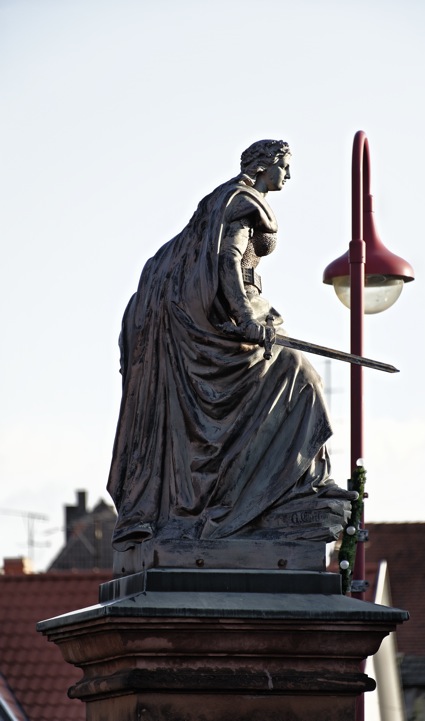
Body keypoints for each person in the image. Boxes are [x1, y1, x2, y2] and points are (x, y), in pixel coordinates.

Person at [107, 139, 356, 552]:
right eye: (285, 166)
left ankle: (289, 489)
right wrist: (246, 317)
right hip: (220, 329)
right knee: (301, 376)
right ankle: (299, 488)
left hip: (207, 325)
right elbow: (228, 260)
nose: (289, 176)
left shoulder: (218, 199)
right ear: (264, 166)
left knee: (294, 377)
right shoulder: (242, 201)